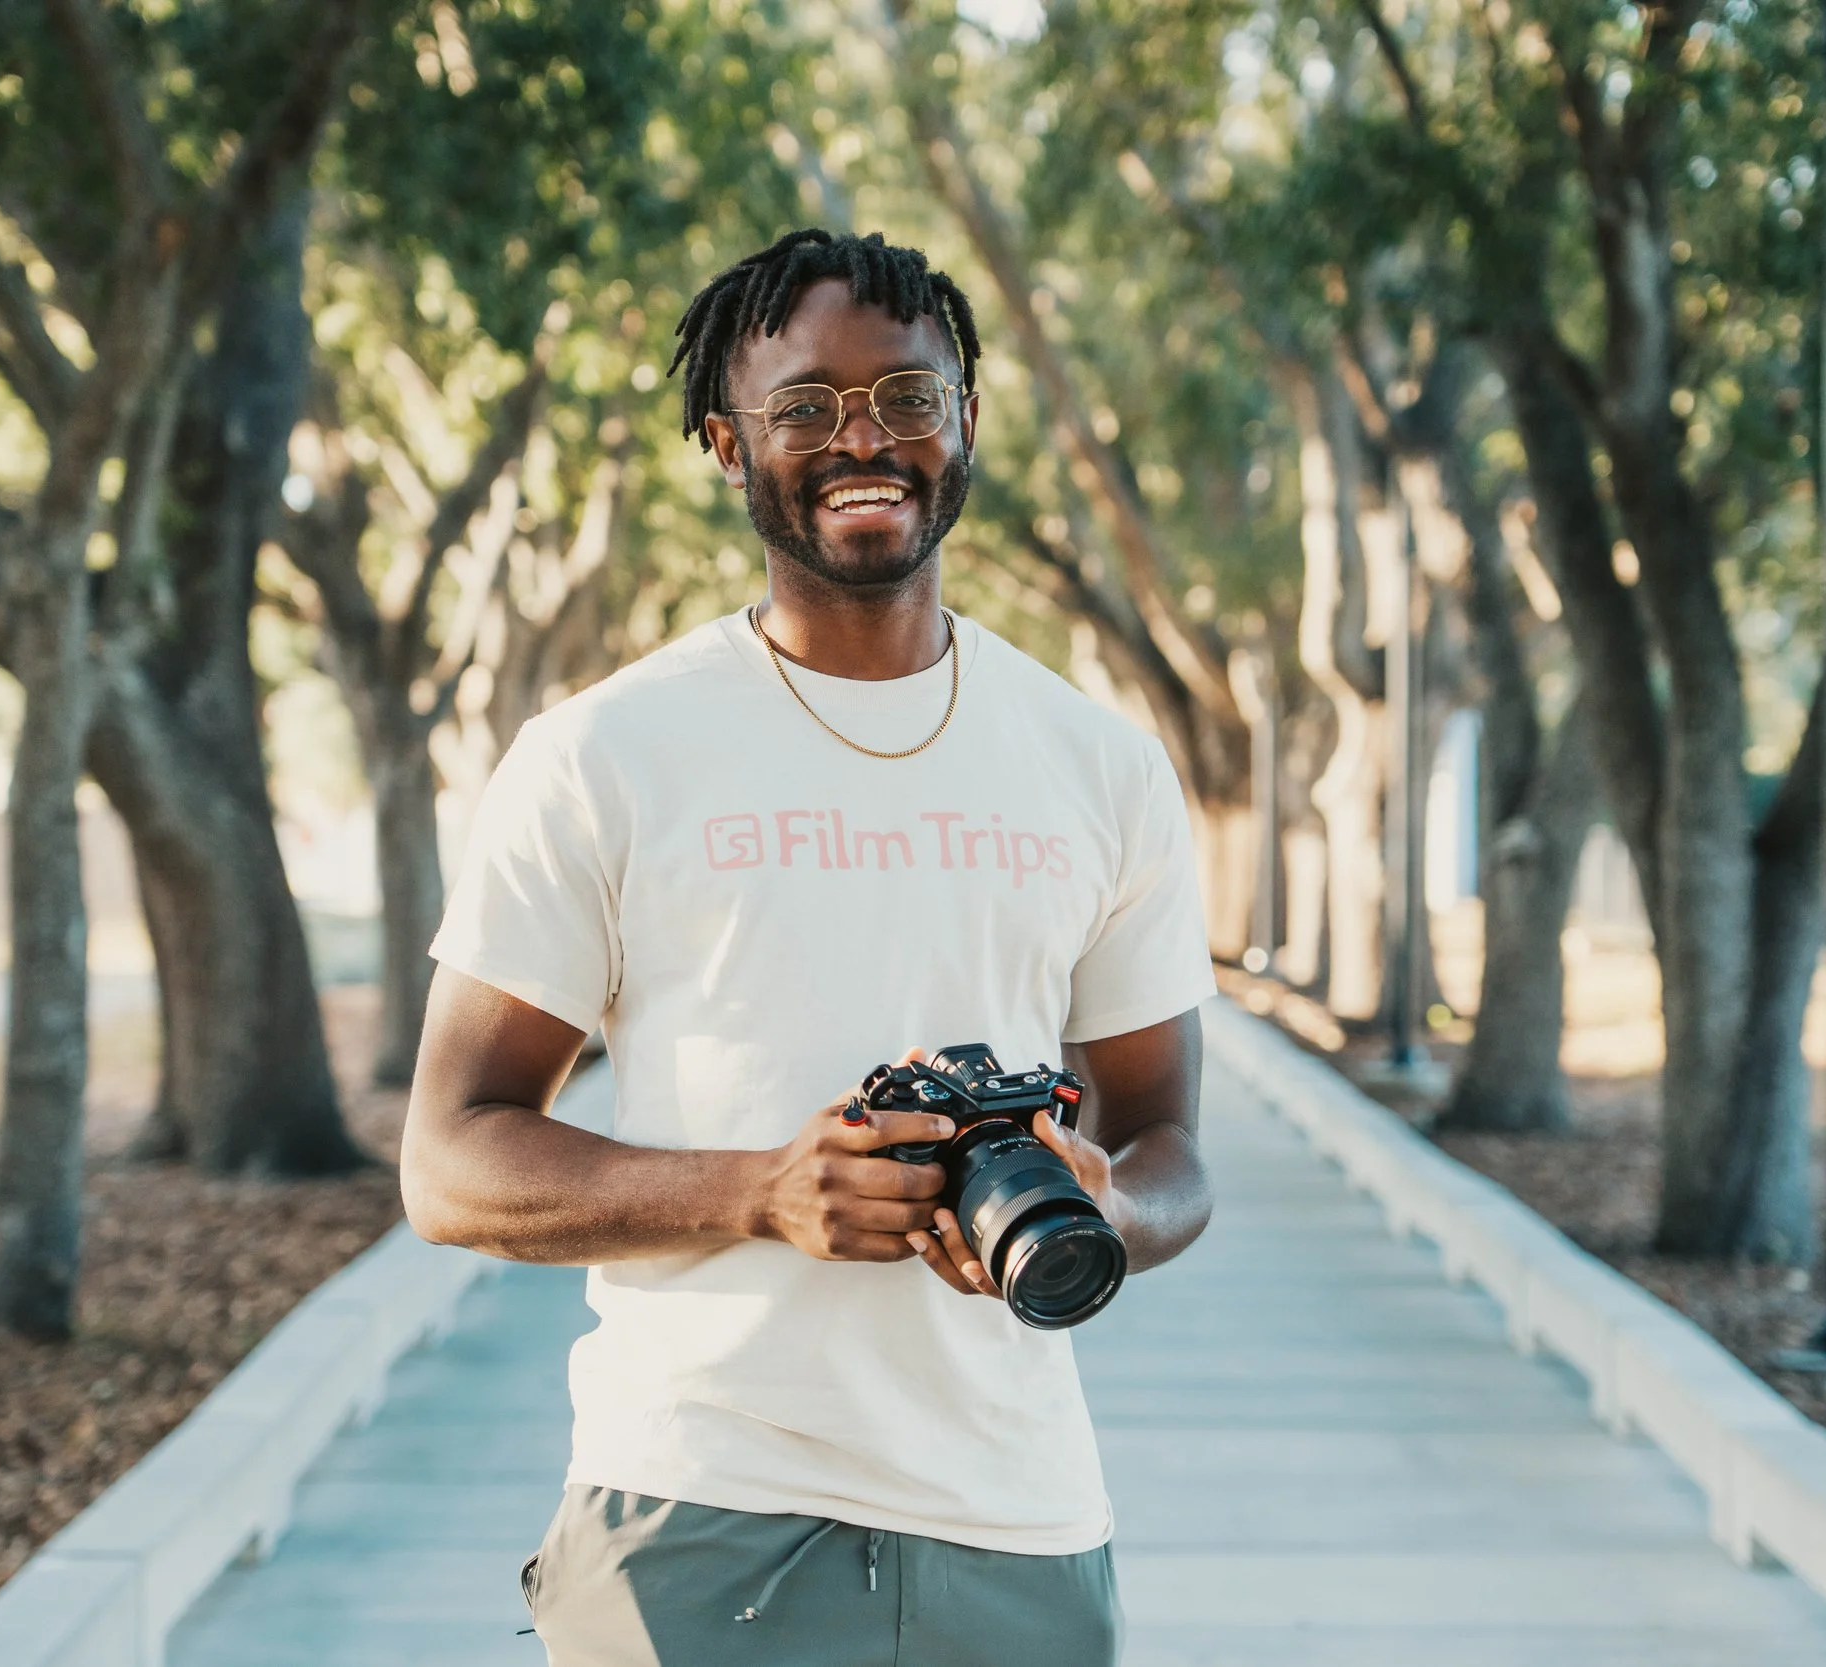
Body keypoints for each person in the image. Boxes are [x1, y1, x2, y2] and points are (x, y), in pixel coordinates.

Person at [404, 228, 1217, 1667]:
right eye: (806, 405)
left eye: (909, 395)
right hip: (698, 1517)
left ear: (965, 419)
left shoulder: (1101, 765)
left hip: (1019, 1525)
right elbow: (452, 1158)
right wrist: (760, 1192)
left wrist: (1104, 1207)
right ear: (727, 443)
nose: (865, 437)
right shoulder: (602, 755)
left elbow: (1172, 1151)